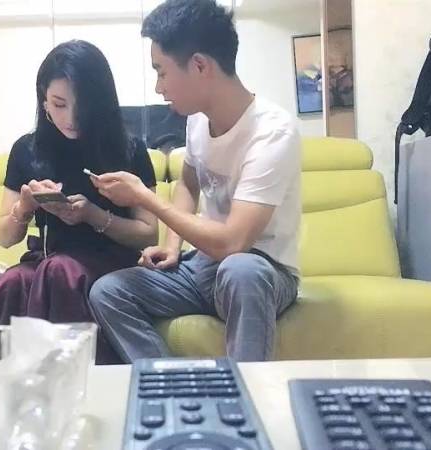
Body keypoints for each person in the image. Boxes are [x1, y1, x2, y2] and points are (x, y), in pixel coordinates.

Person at [88, 0, 301, 362]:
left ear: (200, 65)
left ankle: (241, 391)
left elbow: (233, 243)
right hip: (204, 266)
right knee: (108, 292)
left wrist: (144, 196)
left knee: (240, 270)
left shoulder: (272, 132)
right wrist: (172, 246)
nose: (159, 87)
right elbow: (188, 183)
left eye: (162, 72)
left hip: (262, 270)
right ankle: (172, 384)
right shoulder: (197, 120)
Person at [0, 40, 158, 364]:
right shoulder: (27, 150)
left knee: (60, 271)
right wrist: (25, 207)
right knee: (11, 282)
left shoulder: (128, 149)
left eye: (83, 105)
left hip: (110, 262)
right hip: (47, 258)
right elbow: (4, 237)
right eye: (59, 104)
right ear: (43, 99)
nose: (71, 118)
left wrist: (93, 215)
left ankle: (69, 381)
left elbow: (148, 234)